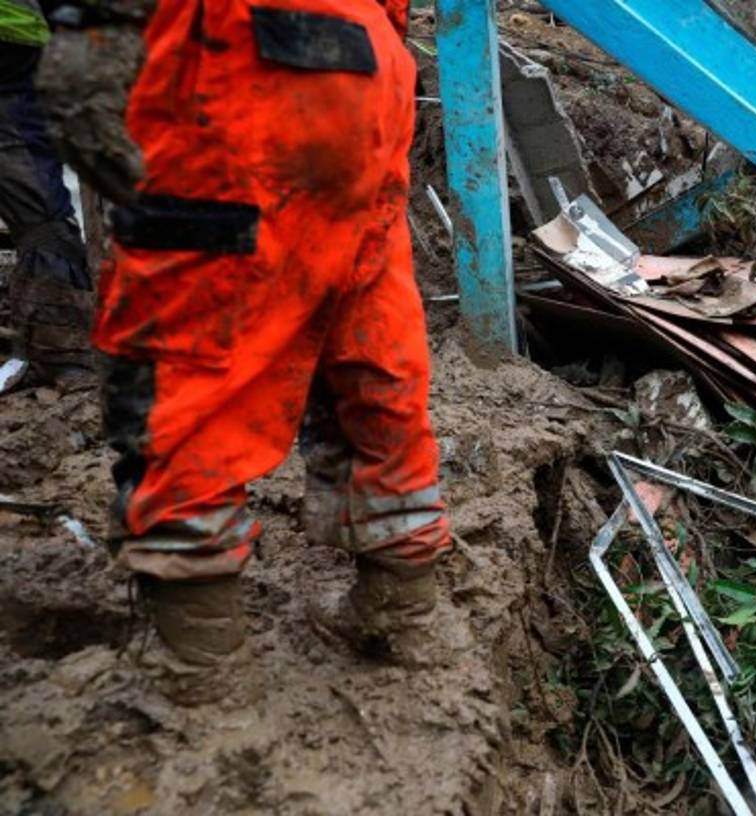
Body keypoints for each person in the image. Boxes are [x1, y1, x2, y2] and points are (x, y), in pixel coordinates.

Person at [38, 0, 449, 704]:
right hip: (372, 65)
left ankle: (201, 656)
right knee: (369, 330)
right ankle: (403, 608)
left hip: (238, 53)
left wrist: (91, 29)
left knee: (190, 355)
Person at [0, 0, 93, 390]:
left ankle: (63, 351)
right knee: (33, 195)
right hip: (17, 44)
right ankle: (61, 351)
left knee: (36, 203)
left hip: (12, 47)